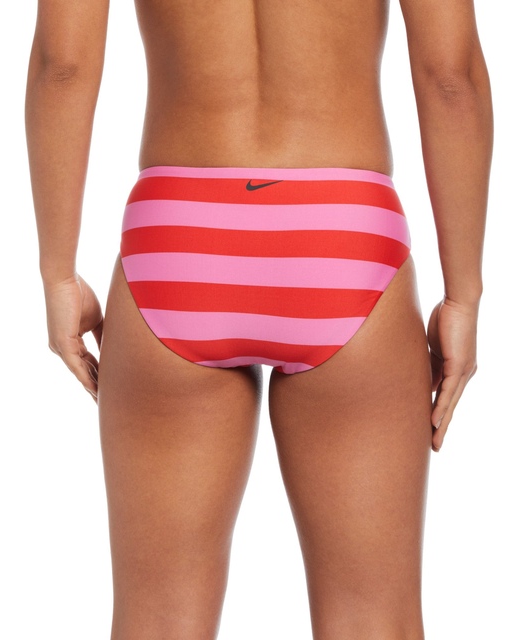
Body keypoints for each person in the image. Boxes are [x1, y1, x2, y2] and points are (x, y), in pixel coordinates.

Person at [25, 0, 492, 636]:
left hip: (180, 240)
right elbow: (450, 76)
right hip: (340, 238)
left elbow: (62, 65)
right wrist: (462, 294)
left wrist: (58, 273)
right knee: (372, 619)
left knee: (157, 619)